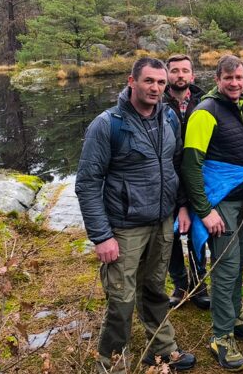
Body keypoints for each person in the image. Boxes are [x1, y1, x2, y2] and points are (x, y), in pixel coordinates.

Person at [75, 57, 196, 372]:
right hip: (124, 228)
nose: (156, 88)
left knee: (156, 289)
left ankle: (162, 349)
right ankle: (110, 364)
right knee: (121, 301)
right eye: (149, 81)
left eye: (160, 82)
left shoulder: (168, 118)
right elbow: (88, 184)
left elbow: (176, 163)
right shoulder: (108, 124)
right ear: (132, 81)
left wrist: (182, 204)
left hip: (162, 221)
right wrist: (101, 236)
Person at [181, 55, 243, 371]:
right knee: (226, 268)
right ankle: (221, 336)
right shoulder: (205, 112)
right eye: (228, 78)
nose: (234, 83)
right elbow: (191, 166)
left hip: (240, 202)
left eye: (239, 77)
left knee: (238, 262)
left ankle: (233, 317)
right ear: (217, 79)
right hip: (219, 205)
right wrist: (205, 211)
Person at [163, 54, 210, 310]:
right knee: (169, 236)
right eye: (175, 71)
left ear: (192, 75)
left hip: (196, 177)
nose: (180, 75)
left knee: (196, 233)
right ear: (168, 74)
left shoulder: (205, 103)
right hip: (166, 179)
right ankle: (180, 285)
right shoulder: (157, 103)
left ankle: (198, 283)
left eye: (185, 71)